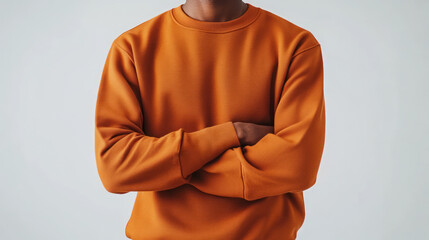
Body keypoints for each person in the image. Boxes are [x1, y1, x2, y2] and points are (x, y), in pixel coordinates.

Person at [94, 0, 325, 239]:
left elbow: (297, 166)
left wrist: (167, 166)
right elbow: (115, 167)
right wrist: (235, 133)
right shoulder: (132, 48)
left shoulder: (296, 45)